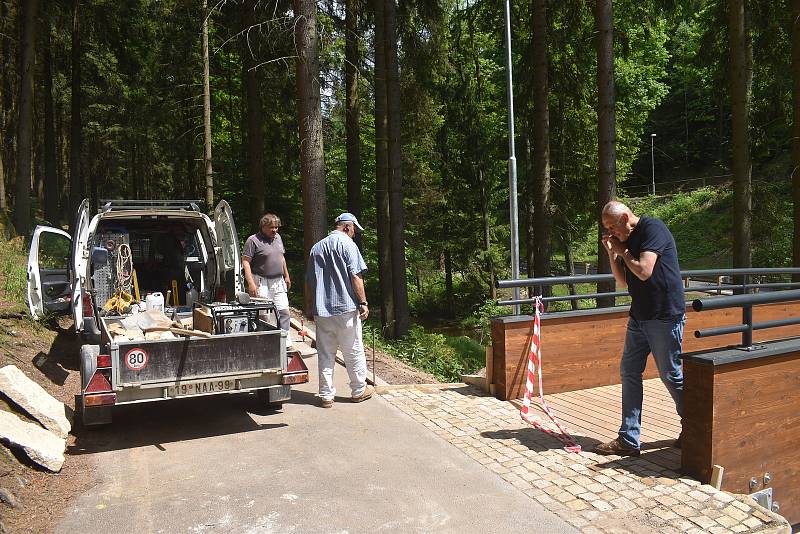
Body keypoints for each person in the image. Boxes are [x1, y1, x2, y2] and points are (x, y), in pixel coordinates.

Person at [594, 200, 686, 457]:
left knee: (671, 375)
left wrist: (622, 251)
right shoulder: (625, 243)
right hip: (639, 316)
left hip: (665, 316)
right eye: (607, 228)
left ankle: (695, 427)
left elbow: (644, 271)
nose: (611, 232)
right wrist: (614, 255)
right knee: (630, 372)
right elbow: (623, 282)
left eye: (612, 225)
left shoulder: (652, 228)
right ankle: (628, 438)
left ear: (625, 217)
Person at [305, 212, 372, 408]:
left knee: (326, 353)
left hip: (321, 310)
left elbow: (309, 281)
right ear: (347, 227)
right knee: (353, 349)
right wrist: (364, 302)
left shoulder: (316, 248)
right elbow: (356, 276)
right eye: (354, 230)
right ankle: (359, 390)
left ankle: (326, 395)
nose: (354, 234)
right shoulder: (348, 245)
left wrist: (309, 306)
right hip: (345, 308)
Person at [242, 213, 293, 346]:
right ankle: (264, 342)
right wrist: (251, 283)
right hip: (261, 281)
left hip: (278, 281)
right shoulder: (253, 240)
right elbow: (246, 262)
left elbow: (281, 257)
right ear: (263, 227)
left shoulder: (278, 238)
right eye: (271, 227)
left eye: (276, 227)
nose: (275, 230)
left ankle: (284, 342)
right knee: (263, 314)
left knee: (284, 311)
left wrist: (286, 275)